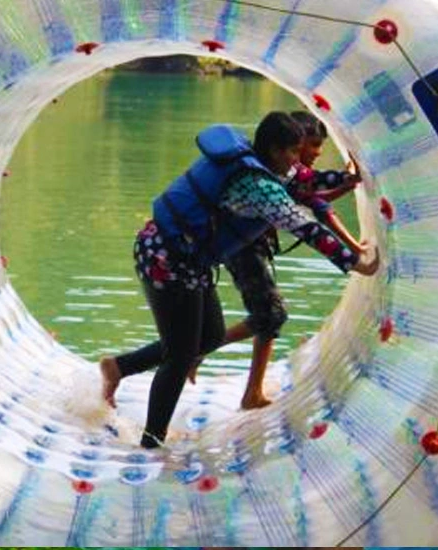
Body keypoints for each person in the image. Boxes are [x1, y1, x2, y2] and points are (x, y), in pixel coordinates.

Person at [103, 112, 379, 449]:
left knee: (210, 337)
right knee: (180, 355)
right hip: (165, 257)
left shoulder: (258, 162)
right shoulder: (258, 186)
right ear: (276, 150)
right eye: (293, 152)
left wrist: (348, 178)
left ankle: (118, 368)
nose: (296, 160)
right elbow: (303, 226)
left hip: (188, 259)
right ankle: (151, 442)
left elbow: (303, 181)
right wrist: (354, 263)